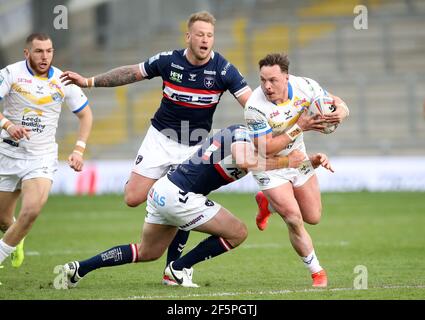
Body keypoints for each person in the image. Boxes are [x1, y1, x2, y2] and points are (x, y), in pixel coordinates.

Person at [60, 11, 252, 284]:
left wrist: (276, 122)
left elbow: (251, 104)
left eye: (209, 35)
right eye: (199, 34)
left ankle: (174, 269)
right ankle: (171, 250)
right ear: (188, 36)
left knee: (187, 199)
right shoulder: (167, 61)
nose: (205, 40)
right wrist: (90, 82)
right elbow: (130, 73)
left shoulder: (223, 69)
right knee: (132, 197)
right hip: (160, 139)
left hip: (194, 146)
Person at [62, 124, 333, 288]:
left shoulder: (247, 137)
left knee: (147, 251)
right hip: (180, 195)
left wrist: (310, 159)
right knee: (238, 232)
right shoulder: (243, 138)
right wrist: (291, 161)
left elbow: (269, 168)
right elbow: (250, 162)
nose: (279, 144)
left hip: (165, 190)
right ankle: (178, 269)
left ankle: (81, 268)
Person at [244, 53, 349, 288]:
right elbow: (265, 149)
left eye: (273, 80)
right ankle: (317, 272)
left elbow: (334, 101)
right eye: (263, 80)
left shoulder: (305, 86)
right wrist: (299, 127)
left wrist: (342, 111)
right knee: (293, 217)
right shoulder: (254, 106)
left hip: (298, 160)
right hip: (269, 166)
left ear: (287, 77)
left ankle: (267, 203)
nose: (267, 86)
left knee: (313, 217)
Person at [0, 33, 93, 277]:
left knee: (30, 211)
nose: (45, 56)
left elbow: (86, 115)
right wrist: (8, 125)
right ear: (26, 53)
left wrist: (78, 149)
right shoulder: (11, 73)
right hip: (7, 154)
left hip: (41, 157)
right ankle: (15, 240)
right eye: (39, 51)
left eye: (49, 51)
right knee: (2, 219)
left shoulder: (63, 80)